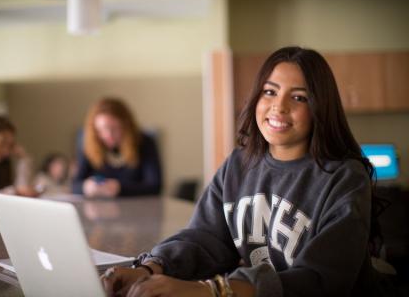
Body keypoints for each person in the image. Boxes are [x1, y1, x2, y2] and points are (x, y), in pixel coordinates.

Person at [101, 47, 387, 297]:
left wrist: (212, 291)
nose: (279, 106)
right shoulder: (239, 163)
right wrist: (150, 268)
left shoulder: (345, 178)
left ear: (319, 108)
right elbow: (204, 238)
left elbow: (321, 280)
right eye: (270, 91)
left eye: (299, 98)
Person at [73, 98, 162, 198]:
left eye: (114, 128)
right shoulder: (88, 144)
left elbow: (155, 186)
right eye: (102, 129)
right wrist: (86, 187)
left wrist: (119, 188)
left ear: (126, 126)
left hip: (136, 209)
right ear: (95, 129)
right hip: (96, 209)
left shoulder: (144, 142)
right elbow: (74, 185)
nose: (108, 135)